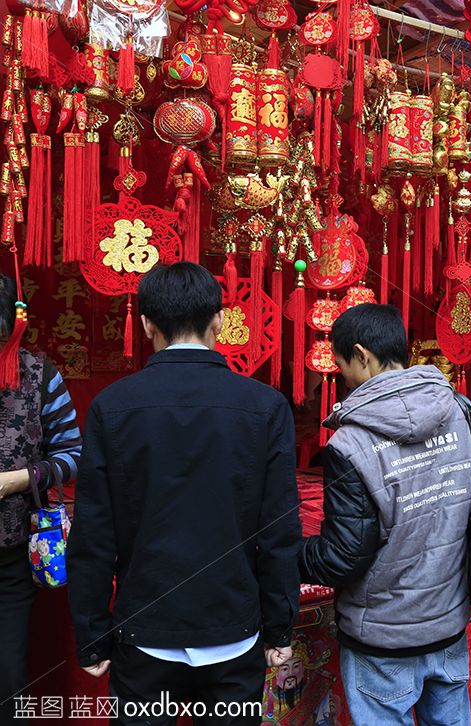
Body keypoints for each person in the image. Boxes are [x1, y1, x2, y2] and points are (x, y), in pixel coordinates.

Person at [68, 263, 301, 724]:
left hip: (144, 632)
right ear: (219, 321)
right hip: (232, 630)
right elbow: (279, 530)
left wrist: (93, 634)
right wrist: (279, 628)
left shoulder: (112, 407)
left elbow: (94, 532)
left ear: (147, 323)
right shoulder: (264, 406)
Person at [299, 303, 471, 726]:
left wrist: (286, 553)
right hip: (448, 622)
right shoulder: (461, 411)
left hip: (383, 637)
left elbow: (344, 556)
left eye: (340, 366)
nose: (342, 379)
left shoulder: (348, 444)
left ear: (362, 355)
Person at [0, 275, 82, 724]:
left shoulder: (39, 374)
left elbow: (74, 455)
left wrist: (19, 479)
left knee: (9, 674)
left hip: (12, 557)